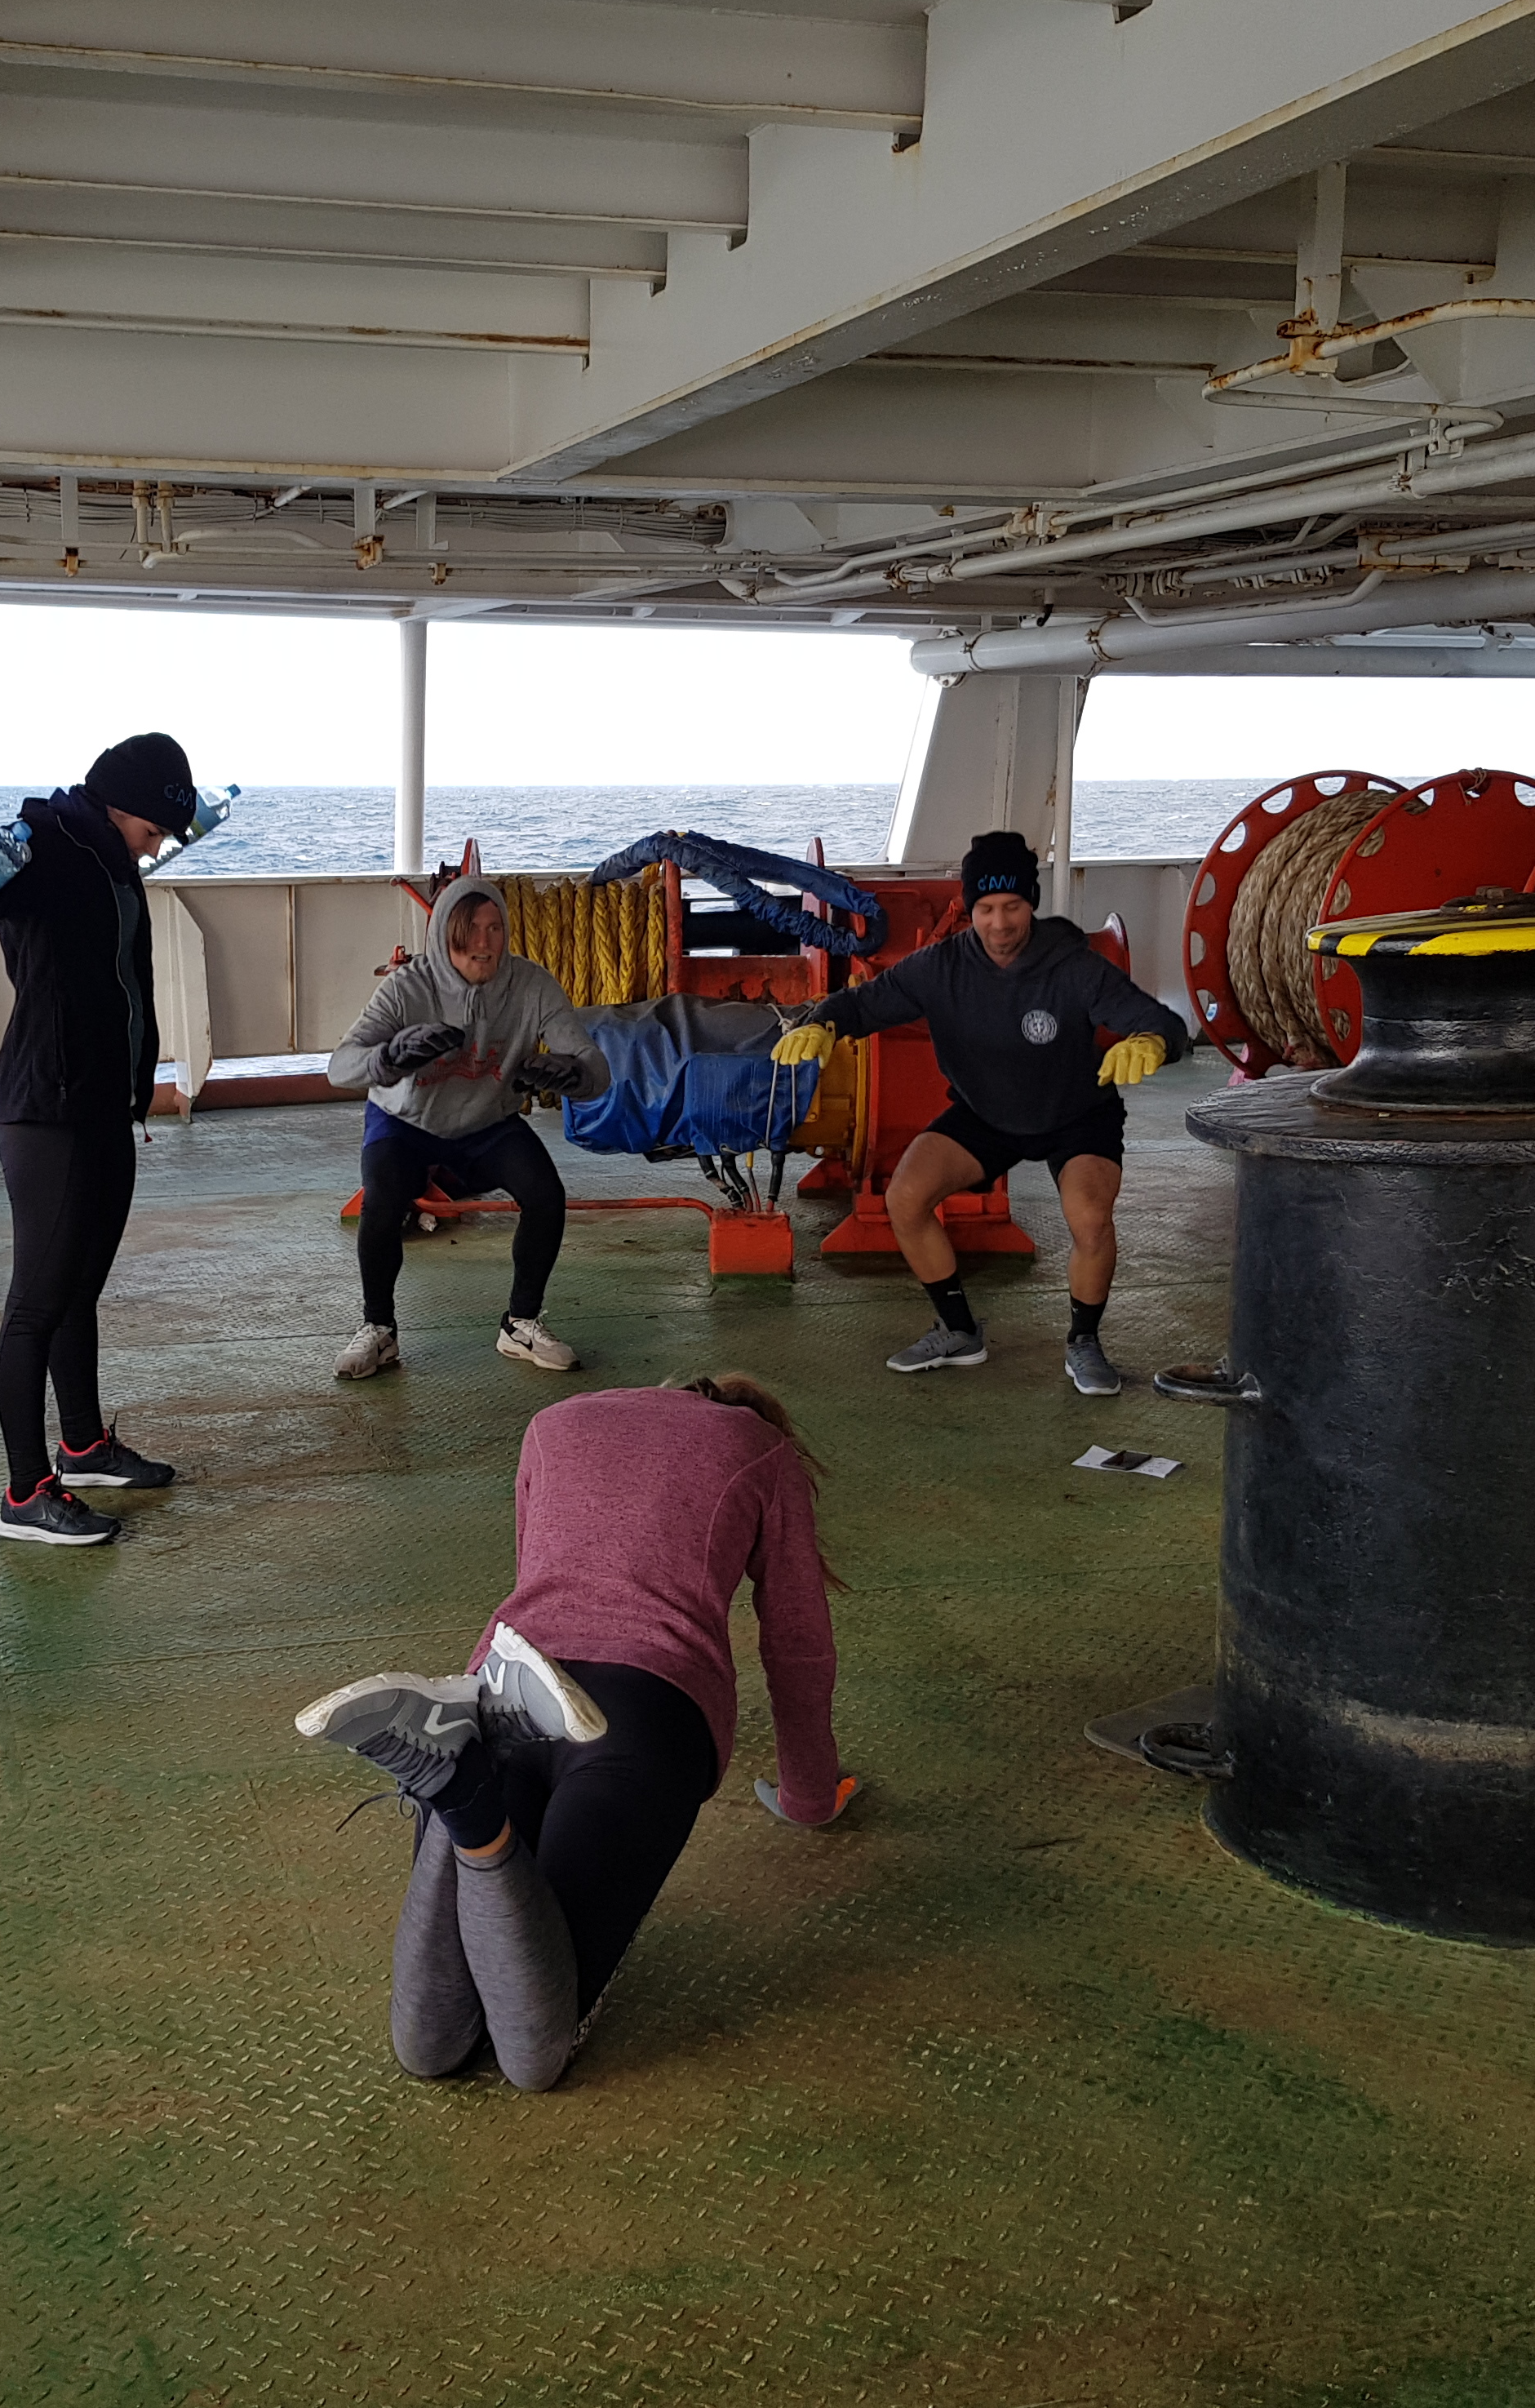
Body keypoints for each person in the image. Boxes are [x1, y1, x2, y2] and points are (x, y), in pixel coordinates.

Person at [292, 1375, 854, 2092]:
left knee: (429, 2049)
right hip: (652, 1709)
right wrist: (809, 1795)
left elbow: (539, 1573)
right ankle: (465, 1803)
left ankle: (456, 1786)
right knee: (533, 2056)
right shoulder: (762, 1450)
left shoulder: (554, 1421)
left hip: (508, 1682)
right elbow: (797, 1644)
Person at [773, 830, 1188, 1390]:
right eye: (986, 908)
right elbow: (864, 1004)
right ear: (970, 908)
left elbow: (1160, 1020)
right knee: (905, 1198)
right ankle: (958, 1331)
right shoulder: (939, 967)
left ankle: (1084, 1342)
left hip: (1075, 1115)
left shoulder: (1074, 965)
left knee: (1090, 1218)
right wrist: (822, 1023)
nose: (999, 922)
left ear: (1031, 904)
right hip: (985, 1114)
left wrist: (1155, 1042)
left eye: (1013, 906)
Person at [0, 732, 196, 1547]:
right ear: (126, 805)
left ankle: (82, 1447)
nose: (165, 843)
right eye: (160, 826)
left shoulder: (107, 855)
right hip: (52, 1108)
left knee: (77, 1289)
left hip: (104, 1105)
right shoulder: (48, 844)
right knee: (36, 1304)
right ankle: (24, 1492)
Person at [325, 873, 610, 1380]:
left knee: (545, 1193)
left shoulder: (532, 985)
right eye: (470, 928)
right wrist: (389, 1058)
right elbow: (340, 1066)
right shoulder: (407, 987)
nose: (484, 941)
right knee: (382, 1196)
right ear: (444, 935)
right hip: (405, 1120)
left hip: (487, 1122)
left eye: (495, 927)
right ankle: (379, 1329)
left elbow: (594, 1067)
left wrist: (575, 1073)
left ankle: (520, 1323)